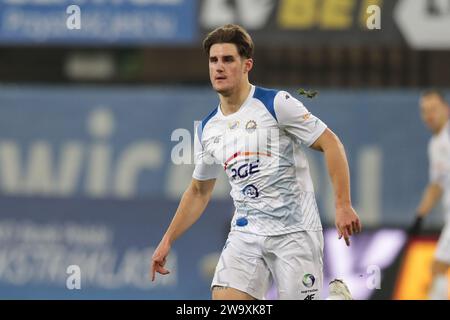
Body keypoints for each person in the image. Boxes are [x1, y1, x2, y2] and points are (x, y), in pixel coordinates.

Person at [151, 24, 361, 300]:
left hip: (294, 233)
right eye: (214, 60)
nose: (219, 67)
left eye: (228, 60)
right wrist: (167, 240)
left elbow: (331, 143)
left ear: (247, 64)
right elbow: (199, 191)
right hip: (246, 233)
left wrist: (343, 204)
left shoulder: (276, 104)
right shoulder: (207, 128)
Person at [410, 89, 450, 300]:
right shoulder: (436, 143)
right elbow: (437, 185)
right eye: (424, 111)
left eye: (433, 109)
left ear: (446, 109)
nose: (429, 115)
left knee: (438, 267)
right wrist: (420, 216)